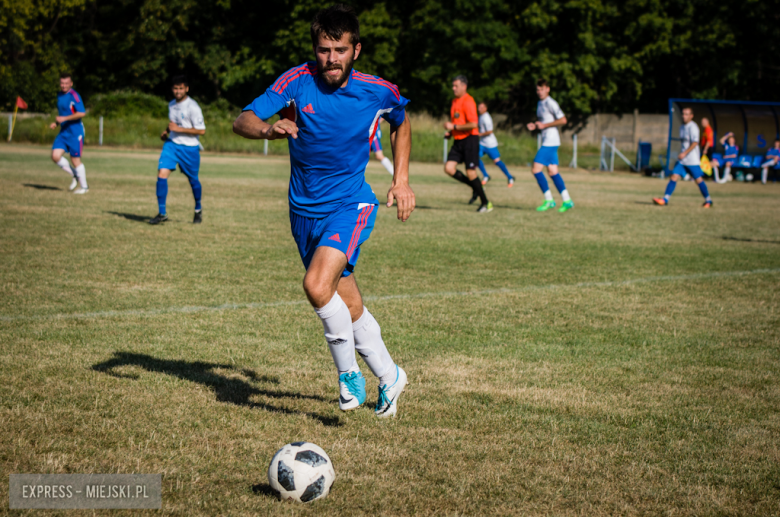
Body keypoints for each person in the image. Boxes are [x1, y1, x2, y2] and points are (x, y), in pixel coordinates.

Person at [232, 4, 413, 418]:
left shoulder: (377, 90)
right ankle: (390, 375)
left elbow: (402, 122)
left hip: (351, 203)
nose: (332, 59)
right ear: (315, 49)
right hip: (302, 212)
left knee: (316, 286)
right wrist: (267, 128)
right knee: (344, 303)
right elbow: (243, 118)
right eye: (324, 49)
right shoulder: (295, 82)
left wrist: (400, 180)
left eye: (340, 50)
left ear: (357, 50)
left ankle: (348, 376)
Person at [149, 76, 206, 225]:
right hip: (172, 144)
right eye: (175, 88)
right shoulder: (171, 105)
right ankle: (162, 213)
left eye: (181, 88)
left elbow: (201, 131)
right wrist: (167, 131)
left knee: (193, 180)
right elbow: (174, 124)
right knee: (162, 174)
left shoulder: (193, 107)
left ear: (186, 89)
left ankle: (198, 209)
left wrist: (178, 129)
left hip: (189, 148)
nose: (178, 91)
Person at [443, 75, 492, 213]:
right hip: (458, 140)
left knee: (471, 173)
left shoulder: (469, 101)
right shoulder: (454, 101)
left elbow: (473, 124)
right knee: (449, 168)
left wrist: (453, 127)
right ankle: (475, 187)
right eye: (453, 86)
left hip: (470, 140)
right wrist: (451, 133)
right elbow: (458, 123)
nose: (453, 88)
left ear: (464, 86)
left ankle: (486, 203)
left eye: (456, 86)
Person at [526, 79, 573, 212]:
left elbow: (563, 120)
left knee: (536, 169)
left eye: (542, 89)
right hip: (549, 140)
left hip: (550, 141)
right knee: (553, 172)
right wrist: (535, 125)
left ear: (548, 89)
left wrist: (545, 125)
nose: (539, 92)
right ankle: (567, 200)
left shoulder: (551, 103)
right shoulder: (540, 103)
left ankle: (549, 200)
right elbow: (544, 121)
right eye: (538, 89)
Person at [653, 107, 712, 208]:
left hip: (692, 160)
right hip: (682, 160)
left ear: (691, 116)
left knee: (698, 180)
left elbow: (695, 142)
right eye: (683, 114)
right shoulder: (682, 127)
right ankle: (665, 199)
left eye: (686, 114)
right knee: (674, 176)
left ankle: (708, 200)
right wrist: (681, 154)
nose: (684, 116)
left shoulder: (693, 127)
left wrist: (684, 153)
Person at [49, 73, 88, 194]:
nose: (64, 85)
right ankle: (75, 175)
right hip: (64, 132)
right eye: (62, 83)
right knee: (55, 156)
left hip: (75, 133)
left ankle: (84, 187)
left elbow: (81, 113)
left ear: (71, 84)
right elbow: (63, 113)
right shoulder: (60, 95)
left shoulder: (74, 96)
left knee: (75, 160)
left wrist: (64, 119)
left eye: (66, 83)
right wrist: (57, 123)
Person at [476, 102, 514, 187]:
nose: (479, 109)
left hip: (490, 144)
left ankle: (509, 177)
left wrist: (479, 134)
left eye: (481, 107)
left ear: (486, 108)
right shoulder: (480, 117)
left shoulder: (486, 118)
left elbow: (490, 131)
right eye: (478, 107)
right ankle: (486, 175)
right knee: (475, 157)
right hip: (482, 143)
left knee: (496, 161)